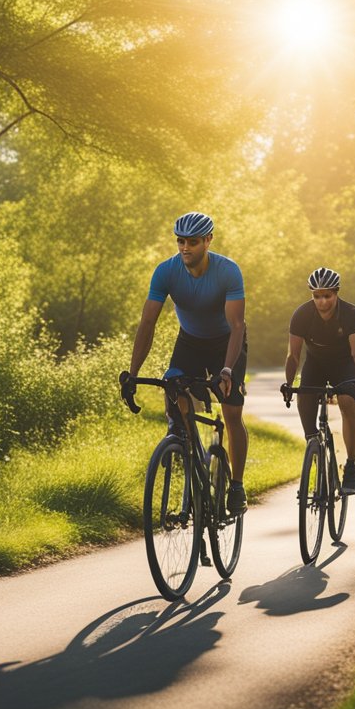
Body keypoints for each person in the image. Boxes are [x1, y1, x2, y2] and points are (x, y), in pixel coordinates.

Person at [120, 211, 251, 513]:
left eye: (192, 242)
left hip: (226, 343)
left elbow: (237, 326)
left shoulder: (227, 271)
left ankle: (237, 486)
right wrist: (133, 373)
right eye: (180, 241)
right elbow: (148, 322)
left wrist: (227, 370)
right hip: (190, 341)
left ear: (208, 240)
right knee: (174, 385)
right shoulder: (166, 272)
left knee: (231, 412)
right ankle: (193, 453)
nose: (185, 248)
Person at [281, 267, 355, 495]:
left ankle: (350, 465)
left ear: (336, 293)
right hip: (316, 364)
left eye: (327, 296)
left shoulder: (350, 313)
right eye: (317, 296)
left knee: (347, 403)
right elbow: (294, 355)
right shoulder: (301, 314)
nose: (322, 302)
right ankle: (313, 447)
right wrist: (289, 384)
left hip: (343, 364)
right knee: (304, 397)